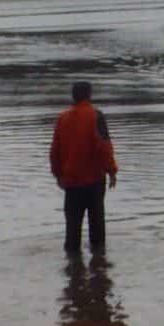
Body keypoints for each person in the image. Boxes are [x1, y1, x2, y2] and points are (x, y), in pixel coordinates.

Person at [49, 81, 118, 253]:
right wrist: (112, 171)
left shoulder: (62, 118)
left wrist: (58, 175)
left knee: (72, 229)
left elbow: (55, 150)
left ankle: (72, 269)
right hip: (94, 180)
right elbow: (104, 147)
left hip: (71, 182)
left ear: (73, 96)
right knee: (96, 226)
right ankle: (99, 265)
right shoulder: (96, 116)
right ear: (89, 95)